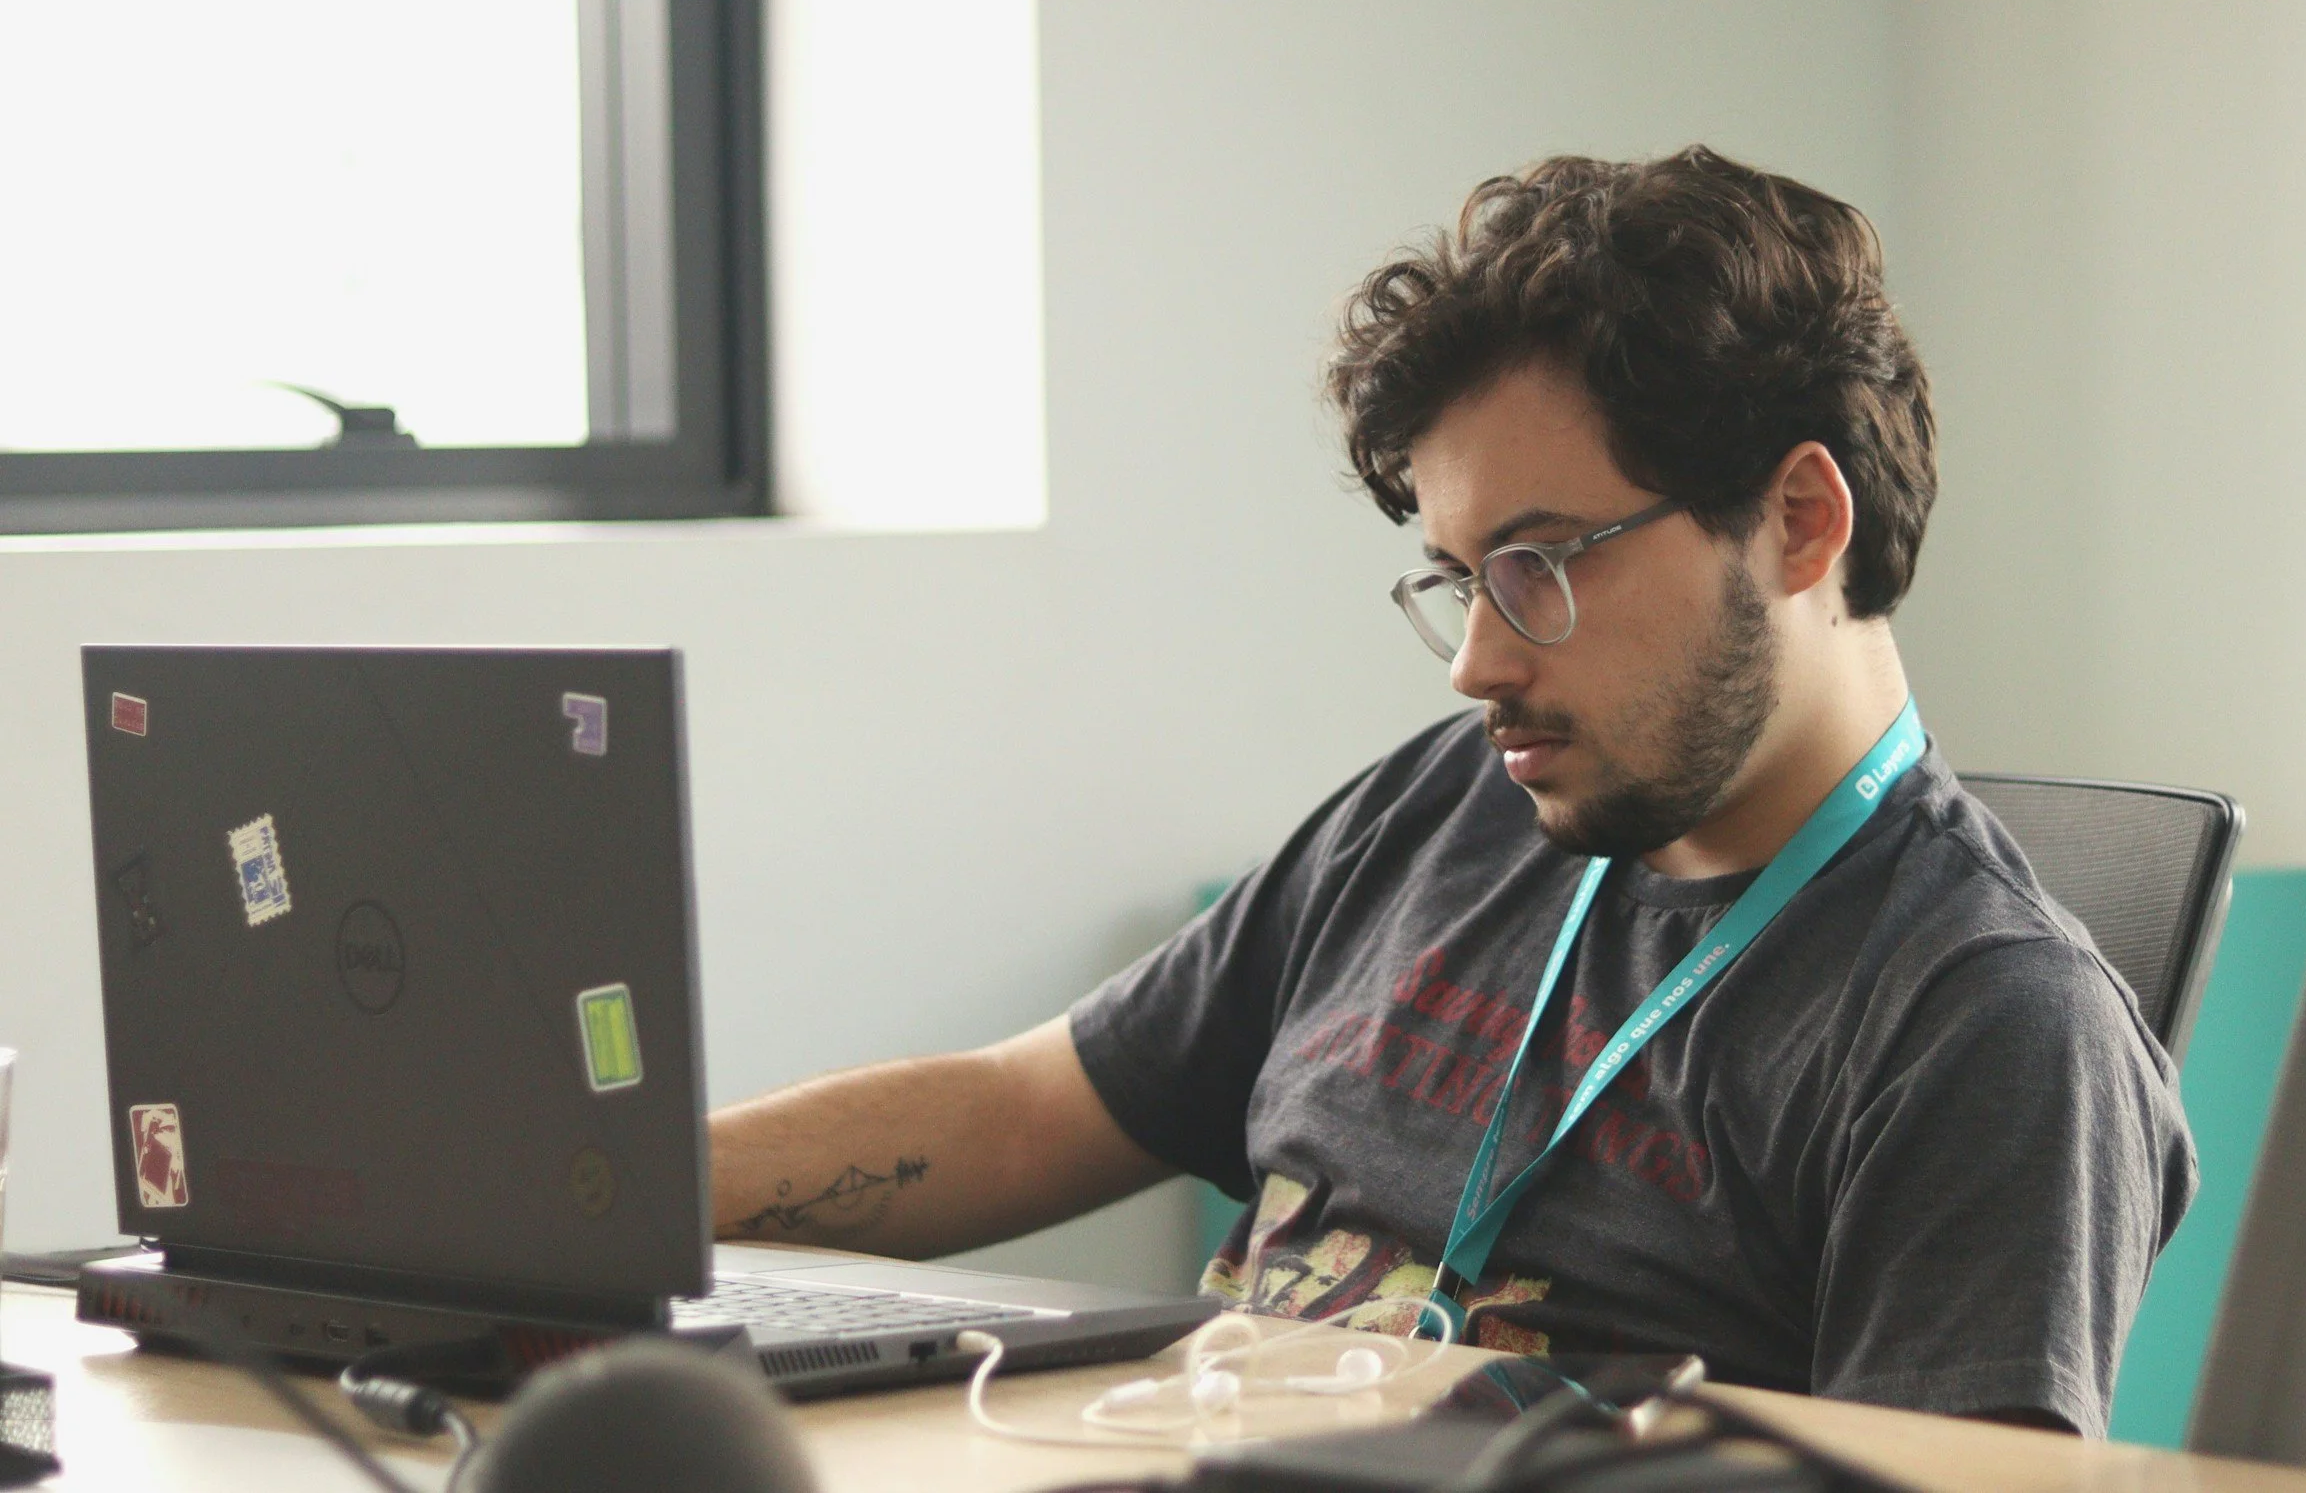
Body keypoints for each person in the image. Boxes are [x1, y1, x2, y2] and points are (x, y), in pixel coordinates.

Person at [710, 147, 2193, 1437]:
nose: (1476, 663)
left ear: (1799, 521)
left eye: (1542, 564)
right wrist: (609, 1199)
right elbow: (1033, 1110)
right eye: (1460, 577)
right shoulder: (1451, 804)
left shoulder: (1986, 1027)